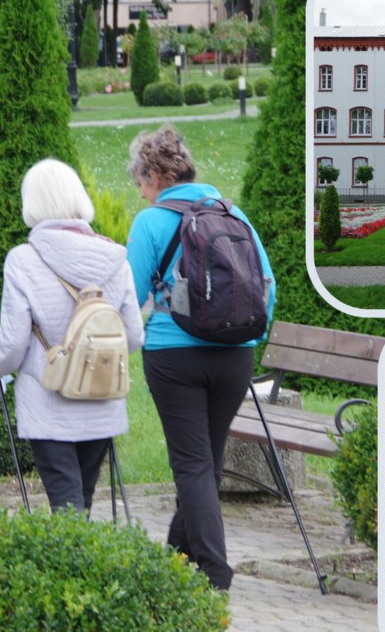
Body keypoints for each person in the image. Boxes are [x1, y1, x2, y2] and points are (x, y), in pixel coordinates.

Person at [123, 125, 276, 591]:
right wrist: (251, 339)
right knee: (204, 460)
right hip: (235, 356)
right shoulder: (234, 213)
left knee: (192, 464)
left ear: (153, 175)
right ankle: (177, 554)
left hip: (175, 357)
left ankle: (215, 571)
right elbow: (267, 287)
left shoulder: (151, 221)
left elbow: (128, 295)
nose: (140, 192)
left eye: (139, 182)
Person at [0, 158, 144, 512]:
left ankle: (71, 566)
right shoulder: (115, 257)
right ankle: (84, 562)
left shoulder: (23, 260)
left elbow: (11, 345)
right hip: (102, 399)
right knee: (81, 501)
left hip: (48, 400)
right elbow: (132, 336)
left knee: (65, 505)